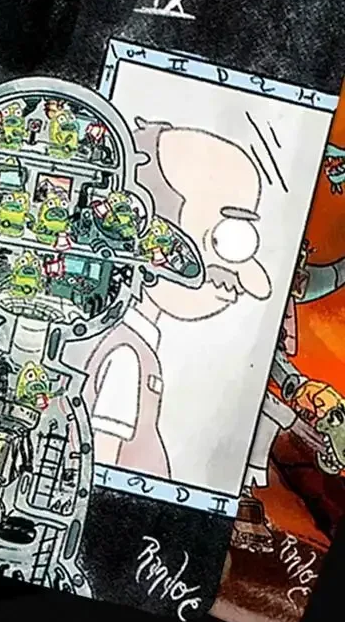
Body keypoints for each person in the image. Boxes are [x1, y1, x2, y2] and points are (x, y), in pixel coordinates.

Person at [83, 119, 273, 478]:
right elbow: (97, 467)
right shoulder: (126, 356)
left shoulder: (133, 347)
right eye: (222, 238)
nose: (236, 282)